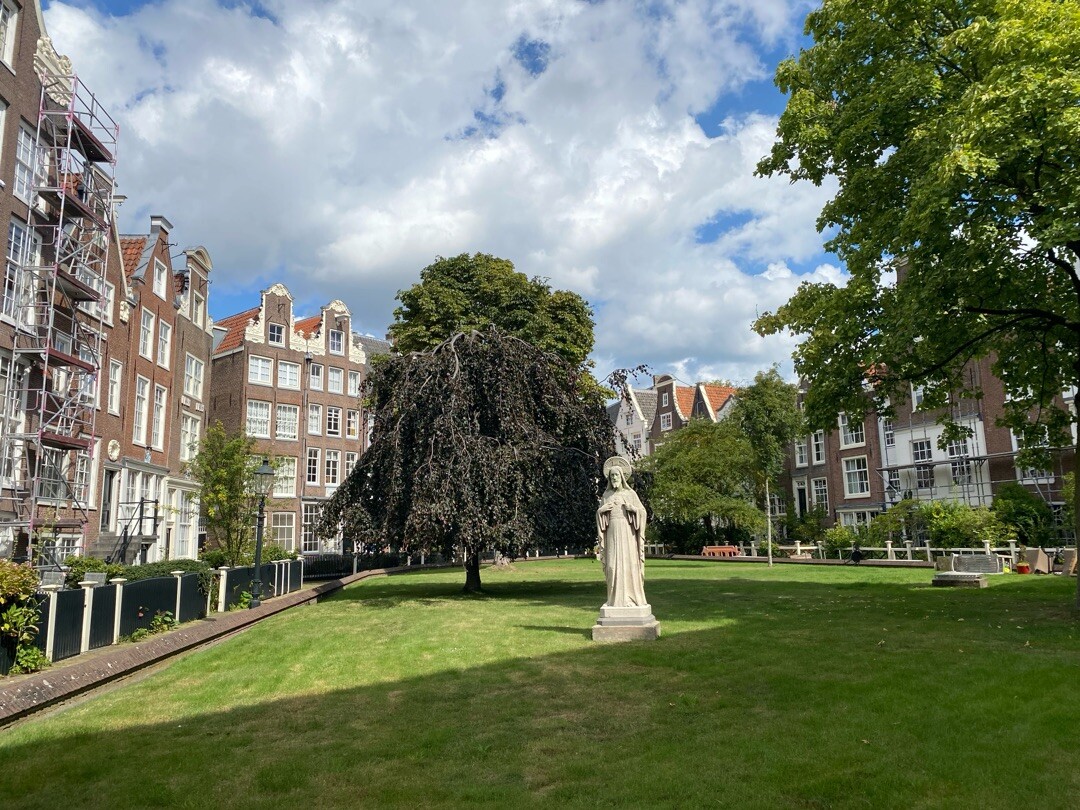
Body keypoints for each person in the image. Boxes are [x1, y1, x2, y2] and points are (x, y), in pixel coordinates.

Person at [596, 456, 648, 607]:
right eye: (611, 476)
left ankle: (630, 598)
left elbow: (643, 512)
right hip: (611, 533)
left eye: (616, 475)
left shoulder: (631, 494)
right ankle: (614, 600)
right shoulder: (606, 496)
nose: (614, 478)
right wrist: (601, 511)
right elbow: (600, 515)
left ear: (622, 477)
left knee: (628, 564)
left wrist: (633, 509)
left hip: (627, 534)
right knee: (612, 566)